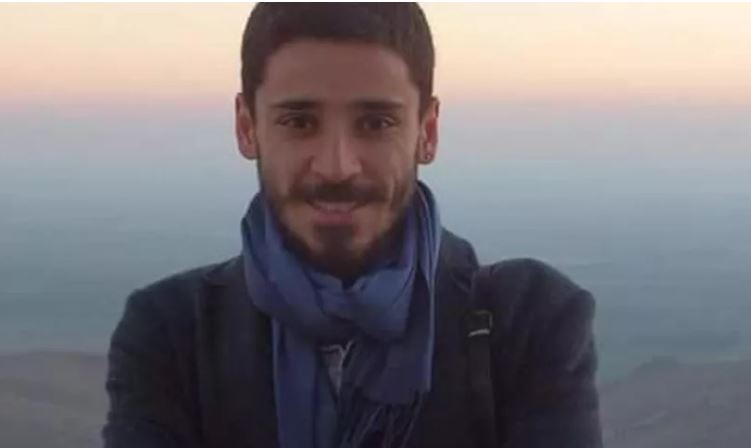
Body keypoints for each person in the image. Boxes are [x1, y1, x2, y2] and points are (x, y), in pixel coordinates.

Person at [102, 3, 602, 448]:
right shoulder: (172, 334)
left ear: (427, 133)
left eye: (376, 123)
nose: (336, 167)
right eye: (299, 122)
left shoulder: (527, 322)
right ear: (246, 127)